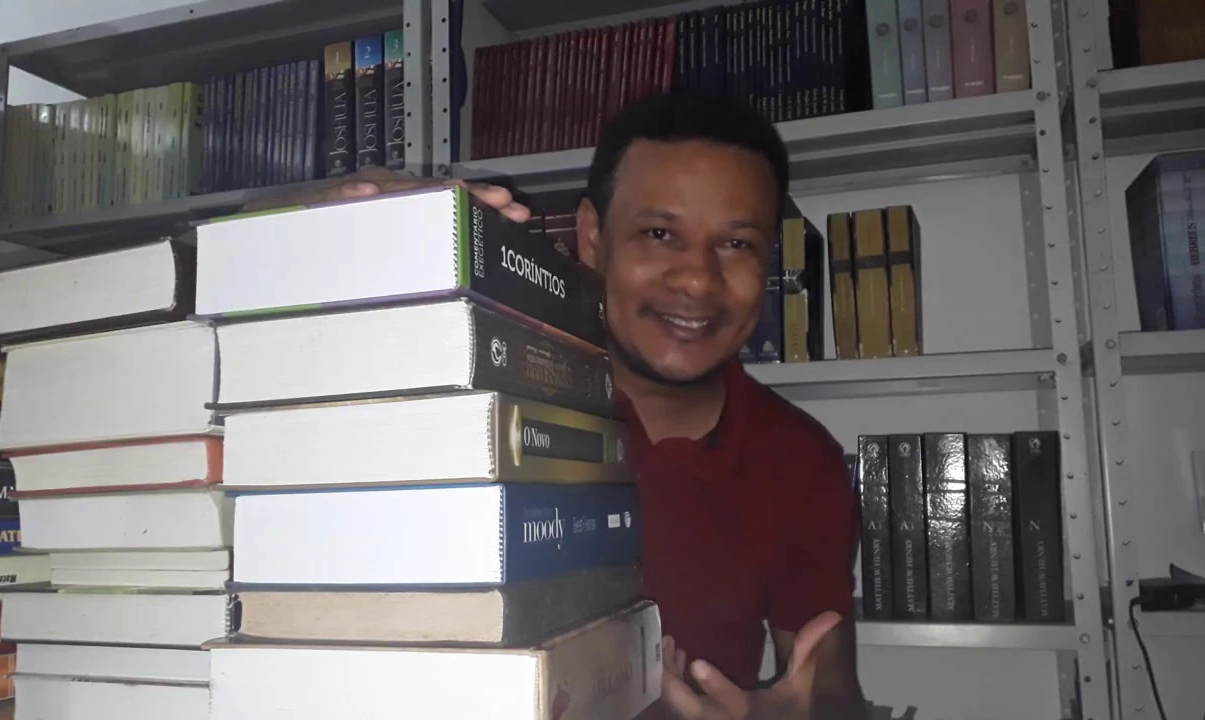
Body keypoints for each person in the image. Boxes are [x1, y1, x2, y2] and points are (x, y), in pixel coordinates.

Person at [253, 92, 865, 720]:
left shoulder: (800, 459)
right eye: (659, 234)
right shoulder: (473, 383)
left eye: (736, 244)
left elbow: (832, 691)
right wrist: (315, 222)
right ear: (592, 237)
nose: (696, 279)